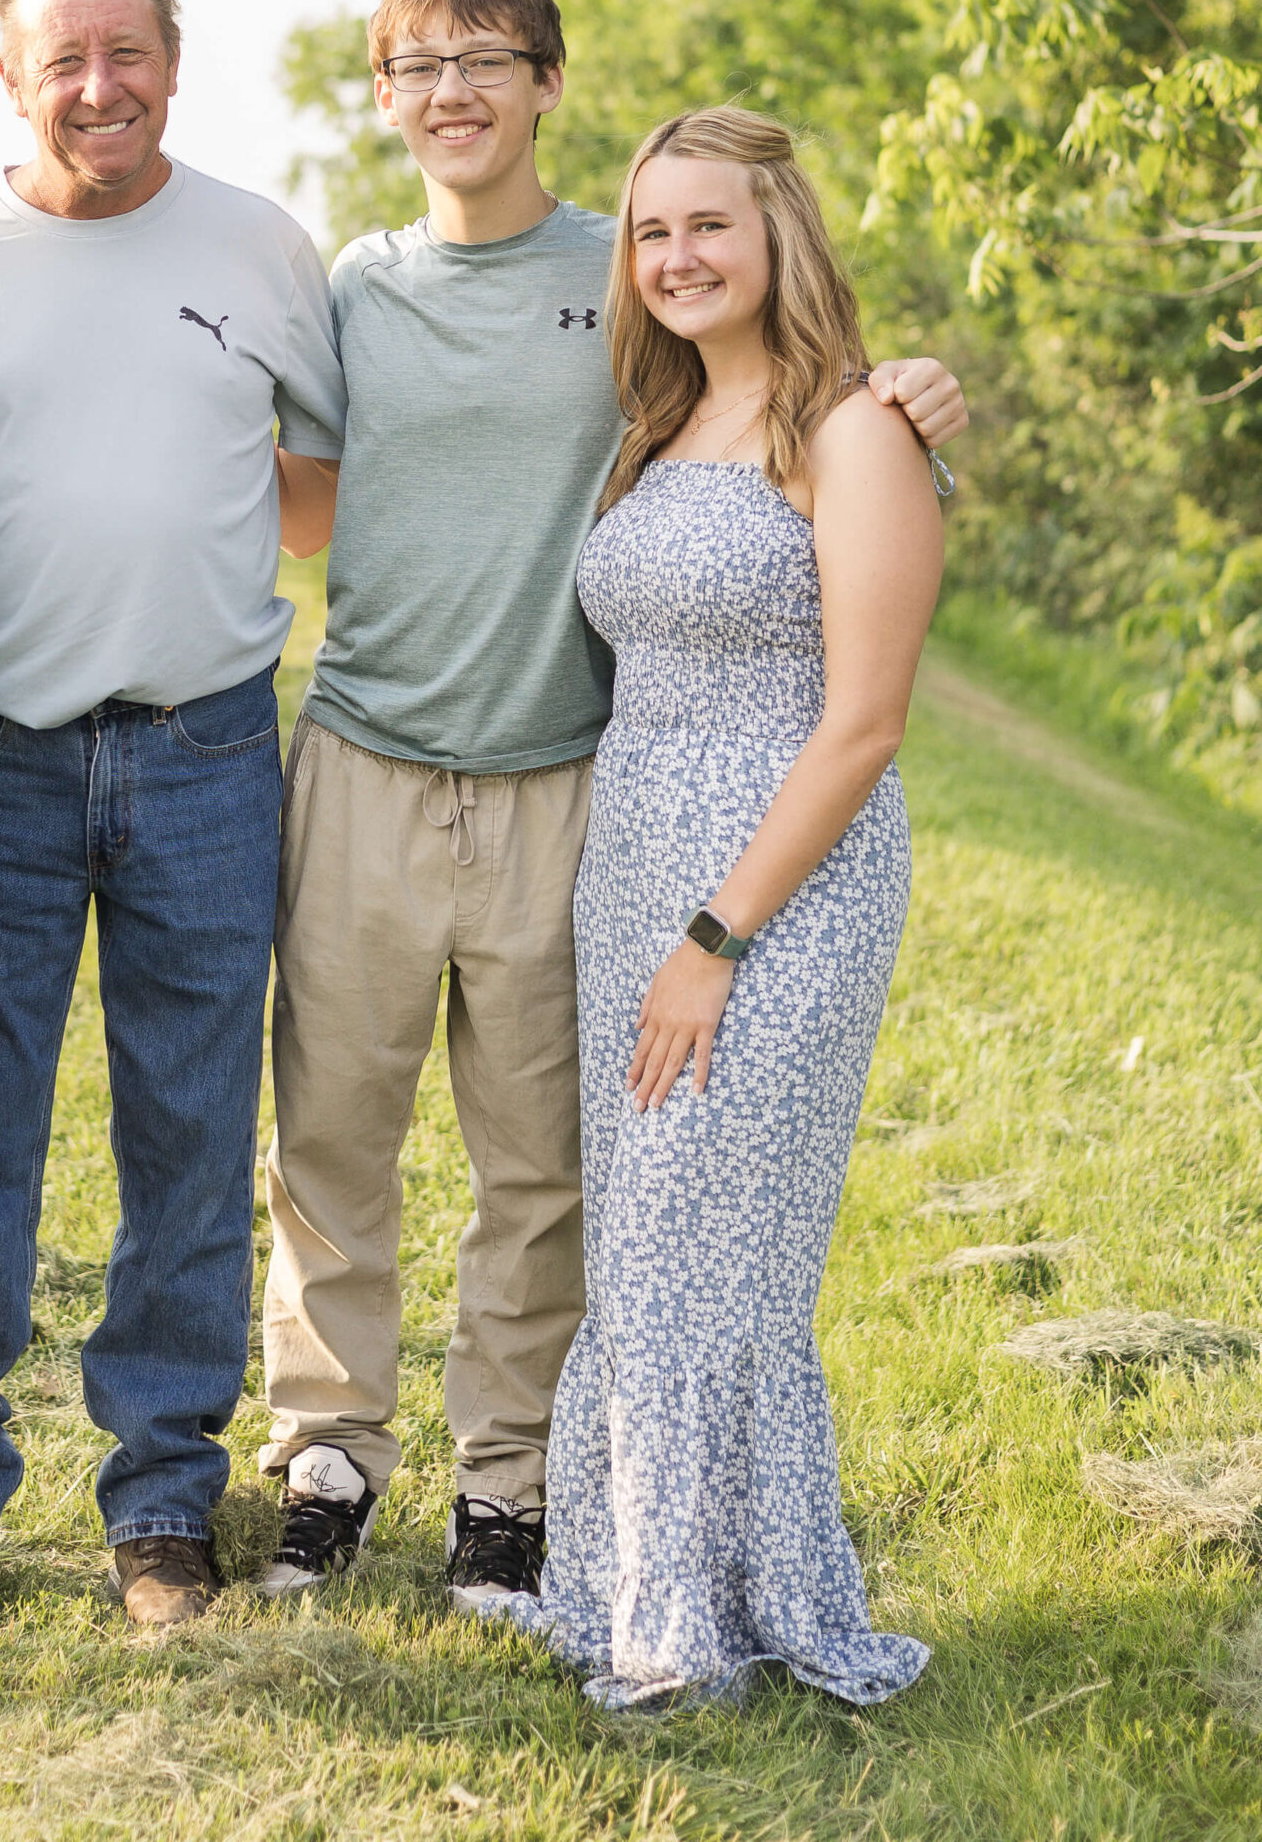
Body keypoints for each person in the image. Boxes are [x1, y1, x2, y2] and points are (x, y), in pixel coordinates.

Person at [253, 0, 966, 1608]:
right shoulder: (354, 288)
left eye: (486, 60)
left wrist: (903, 393)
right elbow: (297, 506)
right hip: (363, 751)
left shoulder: (633, 278)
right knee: (332, 1139)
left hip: (568, 779)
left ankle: (506, 1490)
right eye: (414, 66)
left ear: (547, 86)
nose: (451, 92)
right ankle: (328, 1455)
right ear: (382, 98)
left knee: (542, 1163)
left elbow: (790, 405)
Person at [0, 0, 346, 1631]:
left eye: (125, 52)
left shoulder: (263, 247)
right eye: (62, 59)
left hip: (208, 745)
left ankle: (160, 1509)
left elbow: (336, 471)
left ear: (174, 63)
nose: (97, 86)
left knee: (195, 1143)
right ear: (8, 81)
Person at [480, 104, 938, 1708]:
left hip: (774, 890)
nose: (676, 256)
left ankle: (698, 1621)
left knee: (706, 1242)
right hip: (635, 879)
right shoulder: (654, 426)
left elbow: (864, 722)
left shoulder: (854, 433)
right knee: (654, 1245)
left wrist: (718, 937)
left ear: (776, 240)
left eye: (708, 227)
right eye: (650, 231)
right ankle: (629, 1587)